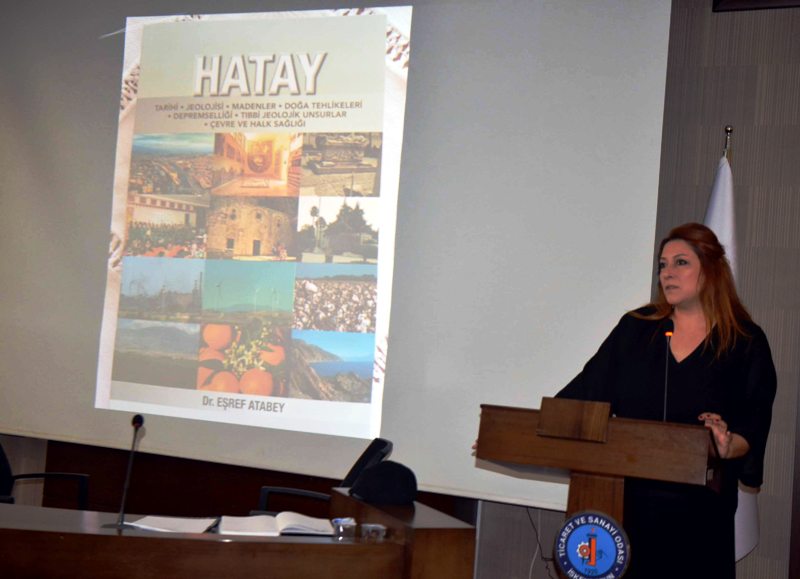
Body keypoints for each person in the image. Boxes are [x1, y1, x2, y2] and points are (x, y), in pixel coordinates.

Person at [556, 223, 776, 578]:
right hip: (628, 510)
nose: (667, 273)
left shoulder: (744, 342)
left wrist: (726, 444)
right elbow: (584, 393)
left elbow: (753, 423)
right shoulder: (636, 329)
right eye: (662, 265)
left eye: (680, 262)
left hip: (700, 517)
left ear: (711, 268)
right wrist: (523, 434)